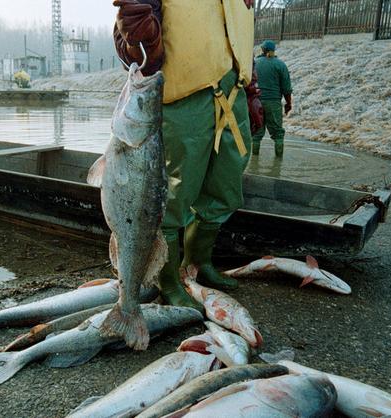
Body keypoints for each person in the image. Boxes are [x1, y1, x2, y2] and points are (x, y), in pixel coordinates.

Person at [113, 0, 258, 310]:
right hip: (182, 100)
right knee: (171, 196)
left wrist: (253, 90)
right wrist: (141, 42)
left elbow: (239, 36)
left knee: (225, 185)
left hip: (234, 95)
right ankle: (166, 280)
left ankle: (198, 263)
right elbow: (130, 51)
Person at [252, 39, 292, 158]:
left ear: (262, 50)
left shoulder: (255, 63)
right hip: (273, 103)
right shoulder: (280, 65)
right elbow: (286, 89)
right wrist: (288, 104)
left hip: (256, 102)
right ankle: (278, 163)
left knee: (256, 133)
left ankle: (254, 163)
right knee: (278, 134)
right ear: (273, 50)